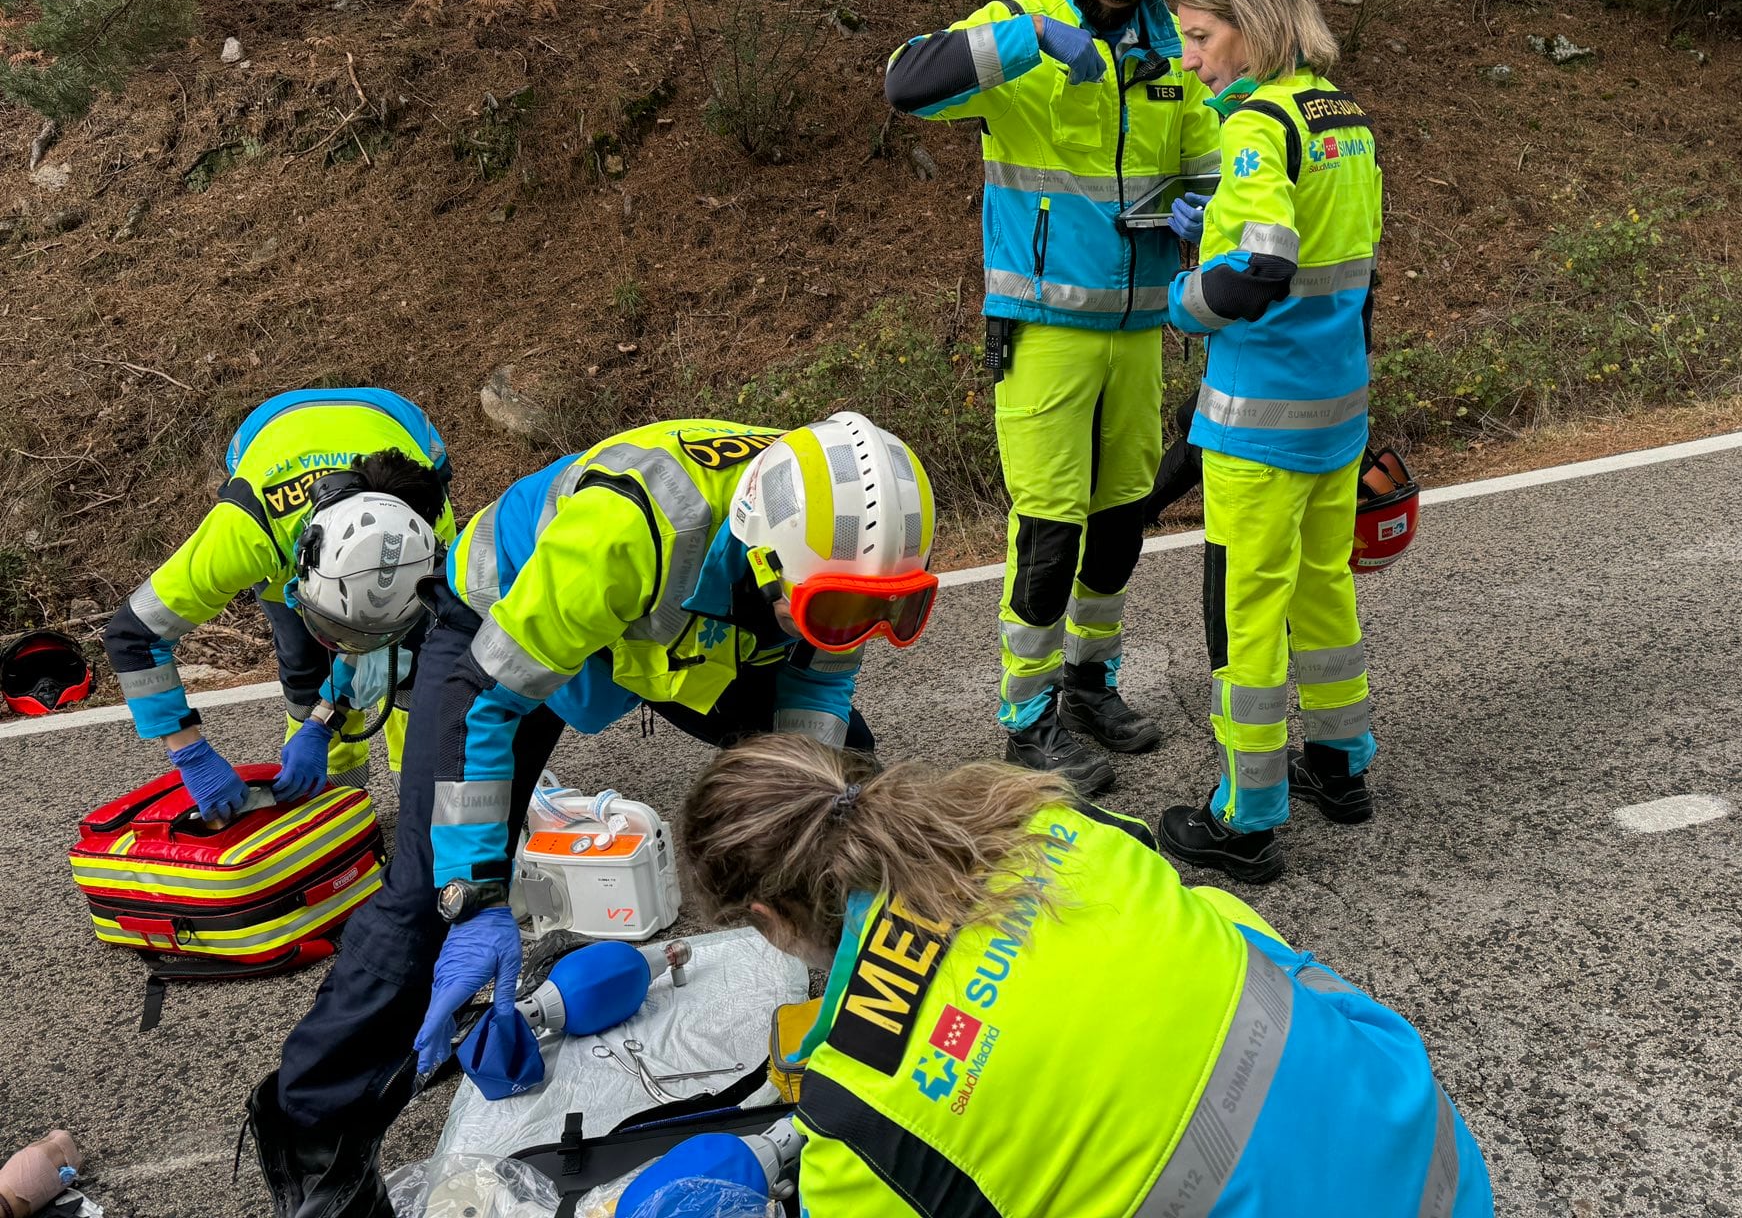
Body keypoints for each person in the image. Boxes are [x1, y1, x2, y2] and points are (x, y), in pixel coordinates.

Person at [241, 413, 940, 1216]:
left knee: (847, 803)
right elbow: (489, 704)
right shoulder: (629, 531)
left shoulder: (839, 547)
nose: (860, 635)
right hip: (502, 629)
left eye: (880, 613)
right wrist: (474, 895)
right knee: (429, 891)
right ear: (763, 551)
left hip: (666, 633)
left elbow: (817, 689)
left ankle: (877, 1017)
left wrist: (816, 841)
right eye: (840, 614)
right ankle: (313, 1128)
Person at [682, 736, 1495, 1217]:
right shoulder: (1053, 824)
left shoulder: (856, 1118)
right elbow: (1234, 935)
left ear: (768, 920)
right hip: (1432, 1158)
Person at [883, 0, 1220, 796]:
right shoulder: (1019, 27)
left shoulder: (1171, 44)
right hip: (1041, 331)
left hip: (1138, 329)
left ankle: (1088, 683)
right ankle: (1025, 719)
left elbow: (1205, 152)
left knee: (1121, 519)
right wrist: (1031, 43)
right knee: (1049, 530)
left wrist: (1205, 209)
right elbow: (907, 83)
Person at [1152, 0, 1384, 884]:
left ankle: (1247, 816)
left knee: (1249, 607)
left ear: (1251, 25)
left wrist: (1182, 297)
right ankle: (1341, 765)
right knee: (1324, 587)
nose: (1192, 58)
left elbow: (1259, 267)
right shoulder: (1346, 117)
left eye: (1202, 36)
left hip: (1262, 414)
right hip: (1338, 406)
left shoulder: (1252, 125)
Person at [102, 387, 456, 818]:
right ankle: (334, 797)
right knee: (304, 663)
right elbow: (132, 637)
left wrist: (326, 719)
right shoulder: (246, 532)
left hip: (403, 429)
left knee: (415, 662)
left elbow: (381, 635)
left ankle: (421, 793)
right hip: (270, 434)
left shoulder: (430, 534)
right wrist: (189, 753)